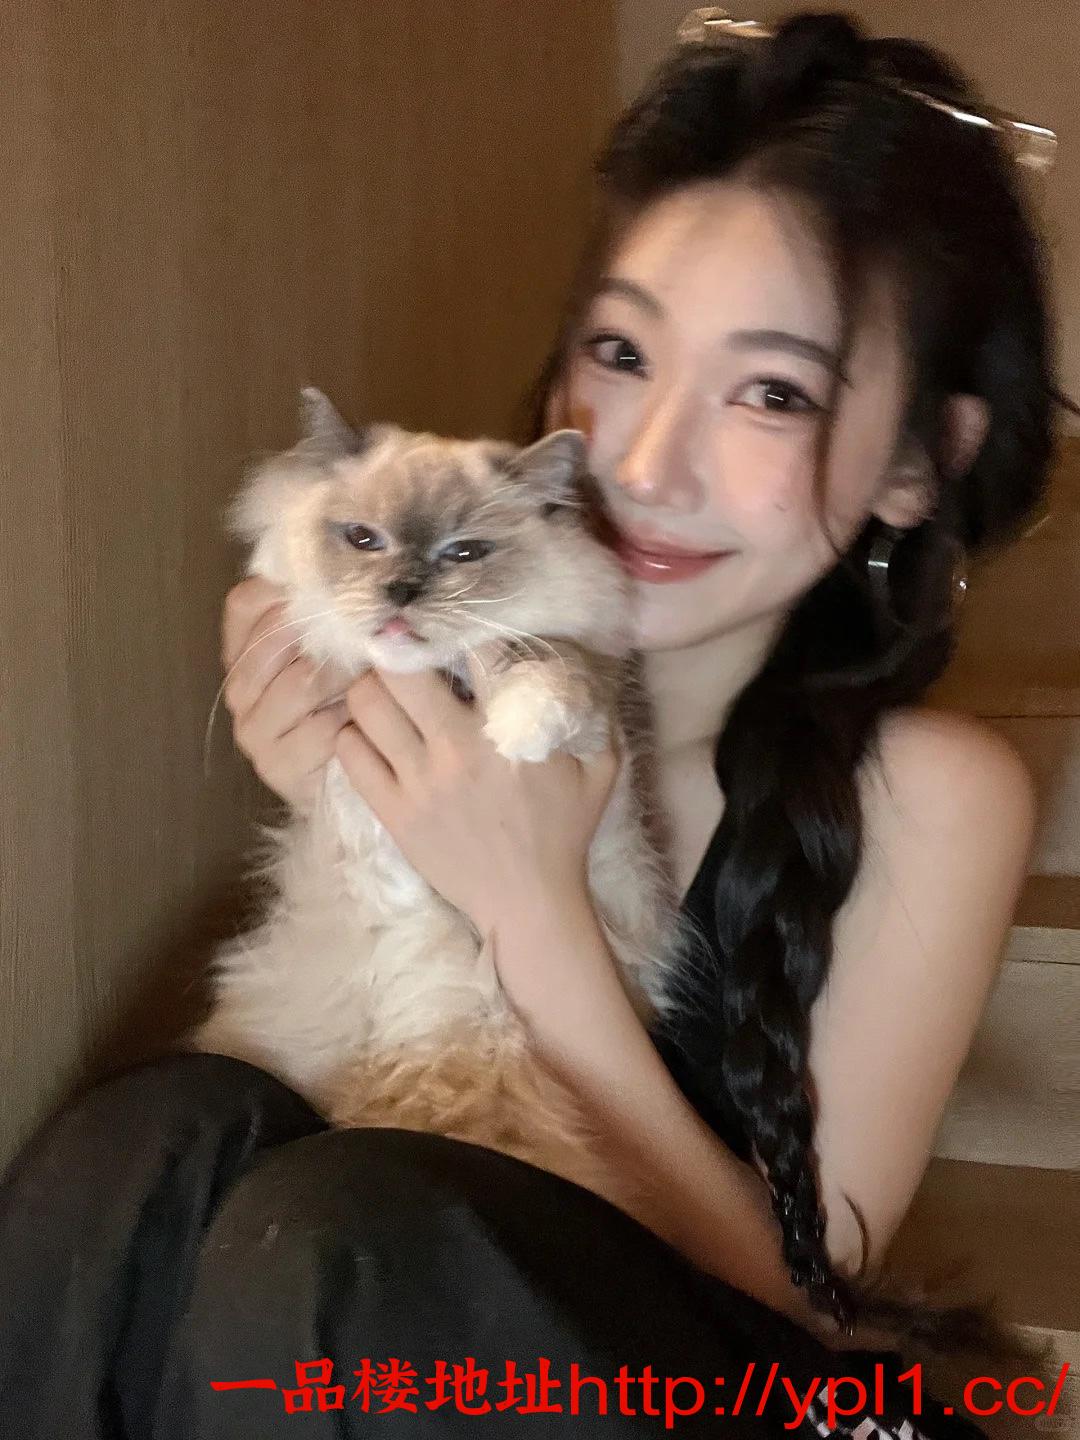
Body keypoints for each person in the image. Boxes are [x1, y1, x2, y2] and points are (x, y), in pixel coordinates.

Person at [1, 12, 1063, 1439]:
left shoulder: (930, 793)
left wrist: (535, 908)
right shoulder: (434, 677)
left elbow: (807, 1302)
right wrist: (339, 800)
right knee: (154, 1139)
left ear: (923, 463)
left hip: (727, 1379)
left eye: (771, 391)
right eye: (620, 350)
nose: (645, 460)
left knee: (352, 1232)